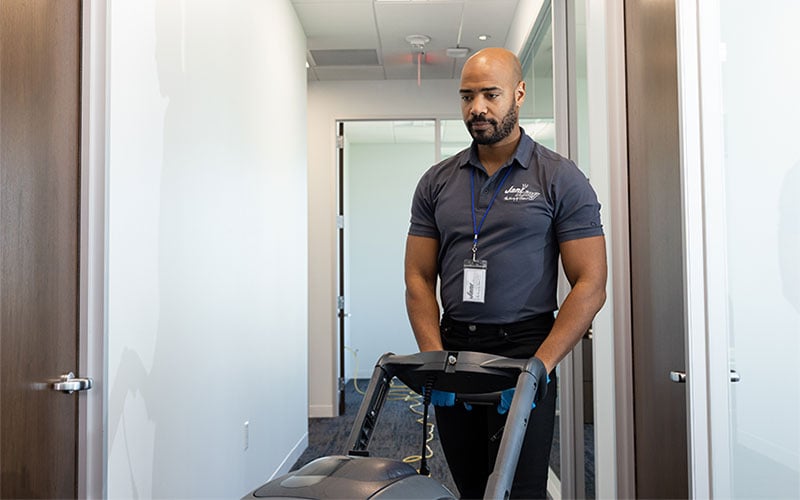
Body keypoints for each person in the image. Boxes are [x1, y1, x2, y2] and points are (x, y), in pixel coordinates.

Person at [404, 47, 607, 499]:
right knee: (472, 487)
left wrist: (541, 365)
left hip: (524, 350)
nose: (477, 108)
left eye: (490, 94)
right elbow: (417, 277)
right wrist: (434, 360)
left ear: (518, 94)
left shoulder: (559, 178)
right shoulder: (437, 181)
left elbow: (591, 284)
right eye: (467, 96)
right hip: (454, 347)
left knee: (522, 489)